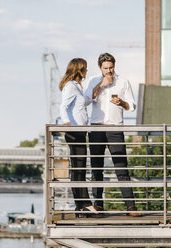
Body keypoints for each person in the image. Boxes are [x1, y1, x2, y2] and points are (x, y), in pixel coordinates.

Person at [84, 52, 141, 217]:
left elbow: (132, 105)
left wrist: (122, 103)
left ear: (114, 66)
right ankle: (98, 205)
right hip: (96, 128)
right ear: (100, 68)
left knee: (121, 167)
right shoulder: (94, 81)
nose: (109, 71)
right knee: (96, 168)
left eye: (111, 67)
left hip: (115, 128)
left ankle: (131, 207)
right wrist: (101, 85)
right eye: (106, 68)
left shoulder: (123, 82)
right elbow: (87, 100)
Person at [59, 58, 100, 218]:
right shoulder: (70, 86)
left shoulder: (77, 87)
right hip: (74, 132)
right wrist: (67, 123)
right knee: (79, 167)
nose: (87, 71)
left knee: (79, 167)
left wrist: (97, 89)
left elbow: (82, 105)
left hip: (80, 131)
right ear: (79, 70)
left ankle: (81, 205)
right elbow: (63, 106)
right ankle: (84, 204)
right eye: (85, 68)